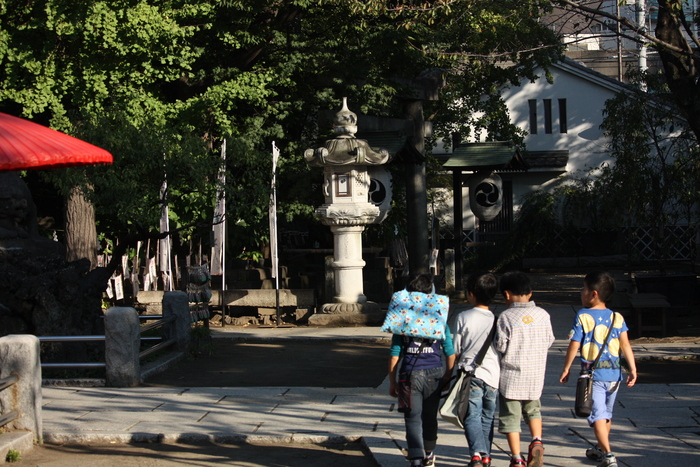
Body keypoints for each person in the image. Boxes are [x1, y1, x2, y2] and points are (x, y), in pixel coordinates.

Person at [559, 271, 638, 467]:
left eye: (583, 289)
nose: (581, 292)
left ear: (593, 293)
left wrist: (566, 367)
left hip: (593, 375)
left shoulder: (583, 315)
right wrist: (633, 369)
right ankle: (600, 449)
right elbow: (626, 345)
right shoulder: (616, 317)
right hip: (615, 374)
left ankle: (609, 455)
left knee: (598, 416)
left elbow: (574, 344)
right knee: (606, 414)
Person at [388, 273, 456, 467]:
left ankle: (416, 458)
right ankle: (429, 454)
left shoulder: (402, 320)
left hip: (409, 376)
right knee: (429, 418)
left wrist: (392, 382)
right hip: (434, 374)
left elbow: (395, 355)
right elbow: (450, 353)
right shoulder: (439, 319)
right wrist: (447, 376)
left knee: (412, 419)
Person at [495, 271, 554, 467]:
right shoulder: (543, 315)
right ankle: (537, 441)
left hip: (511, 378)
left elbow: (500, 346)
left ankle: (517, 458)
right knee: (534, 411)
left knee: (511, 418)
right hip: (535, 376)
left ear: (506, 294)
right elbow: (549, 341)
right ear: (530, 293)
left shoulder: (506, 317)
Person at [452, 271, 500, 467]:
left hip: (471, 374)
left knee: (471, 415)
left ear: (471, 293)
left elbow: (456, 348)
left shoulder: (463, 317)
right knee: (488, 416)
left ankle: (477, 455)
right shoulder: (497, 320)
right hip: (493, 375)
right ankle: (486, 455)